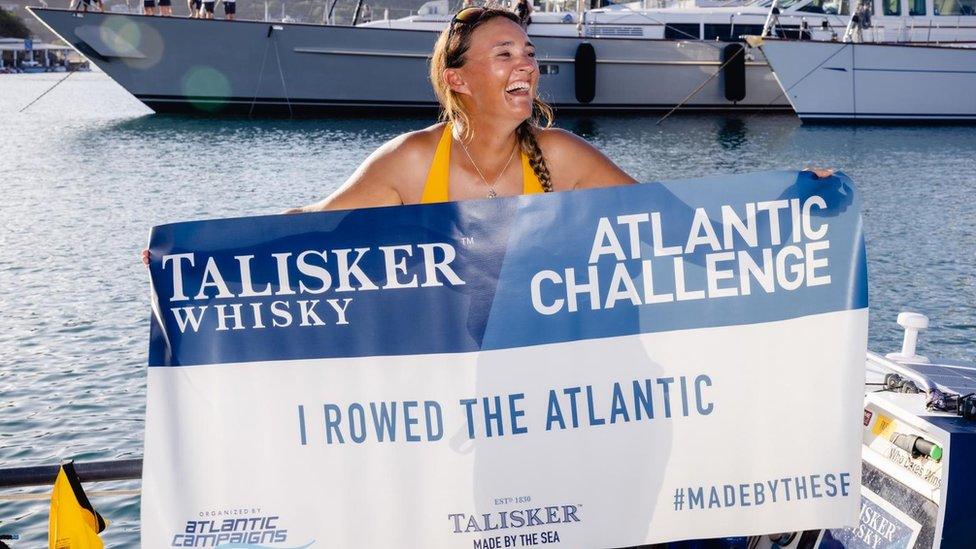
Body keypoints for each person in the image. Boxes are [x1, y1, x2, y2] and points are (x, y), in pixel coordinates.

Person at [286, 7, 634, 213]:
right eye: (505, 54)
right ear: (457, 79)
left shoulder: (561, 154)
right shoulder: (413, 161)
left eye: (529, 53)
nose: (528, 65)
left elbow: (668, 223)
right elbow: (315, 225)